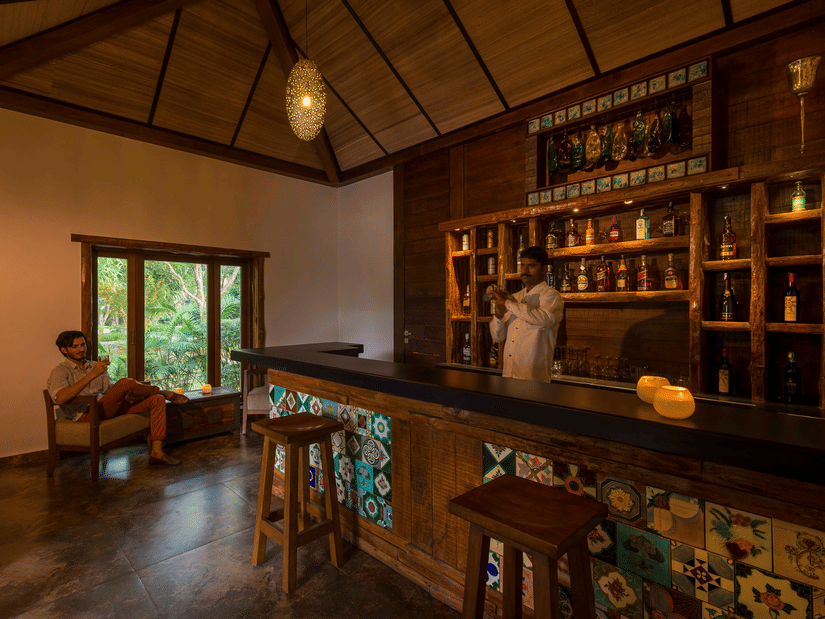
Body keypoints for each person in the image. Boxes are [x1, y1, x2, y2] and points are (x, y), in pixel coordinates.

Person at [47, 330, 185, 466]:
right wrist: (92, 375)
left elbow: (111, 389)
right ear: (64, 350)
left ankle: (156, 453)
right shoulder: (60, 371)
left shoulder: (96, 366)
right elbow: (59, 398)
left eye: (83, 345)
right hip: (87, 413)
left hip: (106, 407)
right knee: (125, 382)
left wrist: (124, 395)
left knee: (156, 400)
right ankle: (164, 392)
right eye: (75, 346)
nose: (81, 349)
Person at [489, 246, 564, 382]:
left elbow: (545, 320)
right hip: (508, 376)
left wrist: (507, 303)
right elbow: (498, 337)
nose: (524, 270)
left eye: (531, 266)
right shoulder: (515, 297)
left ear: (544, 269)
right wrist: (499, 316)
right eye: (522, 265)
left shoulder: (551, 296)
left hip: (533, 380)